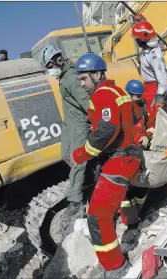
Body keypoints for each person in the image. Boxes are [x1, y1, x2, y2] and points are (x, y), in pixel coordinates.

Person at [72, 53, 142, 278]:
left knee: (97, 215)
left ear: (96, 74)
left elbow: (106, 129)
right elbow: (135, 116)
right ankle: (132, 223)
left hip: (121, 159)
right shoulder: (118, 92)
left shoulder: (102, 94)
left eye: (83, 79)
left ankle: (116, 267)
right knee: (123, 197)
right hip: (128, 155)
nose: (81, 84)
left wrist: (81, 154)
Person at [41, 45, 91, 236]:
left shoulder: (70, 78)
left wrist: (96, 123)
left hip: (79, 125)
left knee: (78, 159)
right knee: (65, 155)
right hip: (69, 124)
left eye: (50, 64)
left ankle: (76, 200)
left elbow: (86, 102)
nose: (49, 68)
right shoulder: (63, 77)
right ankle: (85, 178)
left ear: (58, 60)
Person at [131, 21, 167, 113]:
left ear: (145, 37)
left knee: (152, 117)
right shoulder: (146, 50)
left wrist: (159, 97)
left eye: (138, 38)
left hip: (154, 88)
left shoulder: (155, 55)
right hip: (148, 87)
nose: (136, 40)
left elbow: (162, 78)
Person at [125, 79, 149, 146]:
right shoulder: (125, 108)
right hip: (132, 142)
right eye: (138, 96)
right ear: (129, 95)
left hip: (142, 139)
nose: (140, 98)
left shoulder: (142, 106)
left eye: (141, 95)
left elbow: (147, 123)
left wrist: (147, 136)